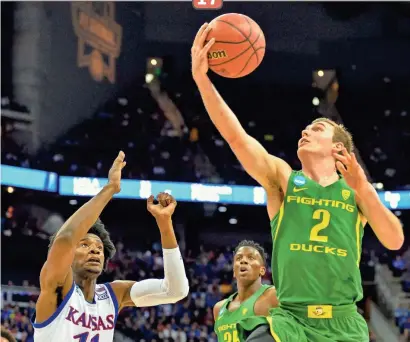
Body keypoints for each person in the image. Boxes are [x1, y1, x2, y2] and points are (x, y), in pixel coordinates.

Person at [191, 23, 404, 342]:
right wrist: (202, 80)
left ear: (338, 149)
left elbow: (394, 240)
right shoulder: (283, 179)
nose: (306, 131)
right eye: (306, 128)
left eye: (317, 129)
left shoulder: (354, 192)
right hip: (289, 321)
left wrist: (364, 188)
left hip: (343, 323)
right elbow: (236, 137)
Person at [31, 151, 189, 341]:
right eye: (84, 244)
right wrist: (110, 189)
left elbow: (175, 291)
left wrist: (165, 224)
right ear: (69, 256)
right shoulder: (58, 288)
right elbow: (65, 240)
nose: (95, 249)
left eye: (99, 247)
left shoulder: (113, 294)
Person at [214, 240, 278, 342]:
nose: (243, 261)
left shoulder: (273, 296)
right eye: (238, 258)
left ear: (262, 270)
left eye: (251, 257)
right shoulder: (219, 308)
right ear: (234, 271)